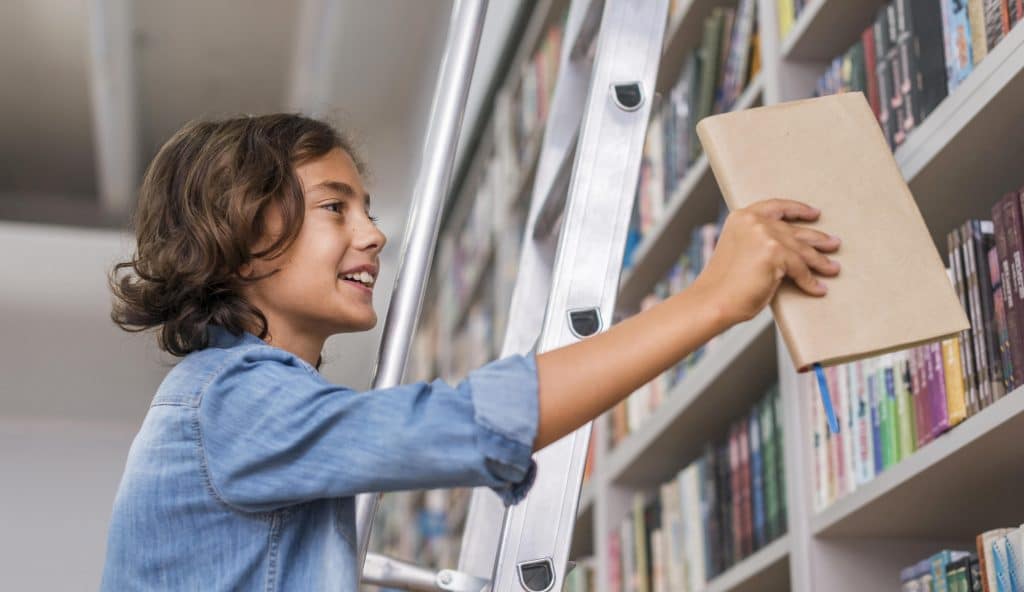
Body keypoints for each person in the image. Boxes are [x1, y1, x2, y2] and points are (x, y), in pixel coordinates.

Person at [100, 113, 840, 590]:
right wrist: (711, 301)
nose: (374, 234)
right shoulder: (232, 400)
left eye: (369, 208)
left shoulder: (244, 400)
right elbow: (468, 424)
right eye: (336, 207)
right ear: (237, 234)